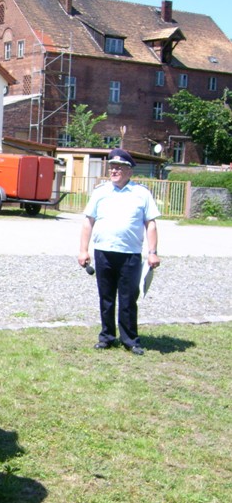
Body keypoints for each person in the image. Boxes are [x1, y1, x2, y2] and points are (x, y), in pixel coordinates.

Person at [78, 148, 161, 356]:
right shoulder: (100, 192)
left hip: (130, 254)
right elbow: (88, 222)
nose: (114, 171)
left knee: (128, 298)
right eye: (112, 167)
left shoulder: (141, 193)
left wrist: (152, 252)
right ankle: (107, 337)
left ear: (129, 171)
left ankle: (130, 340)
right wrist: (83, 250)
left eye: (119, 168)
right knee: (106, 298)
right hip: (104, 252)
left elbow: (150, 224)